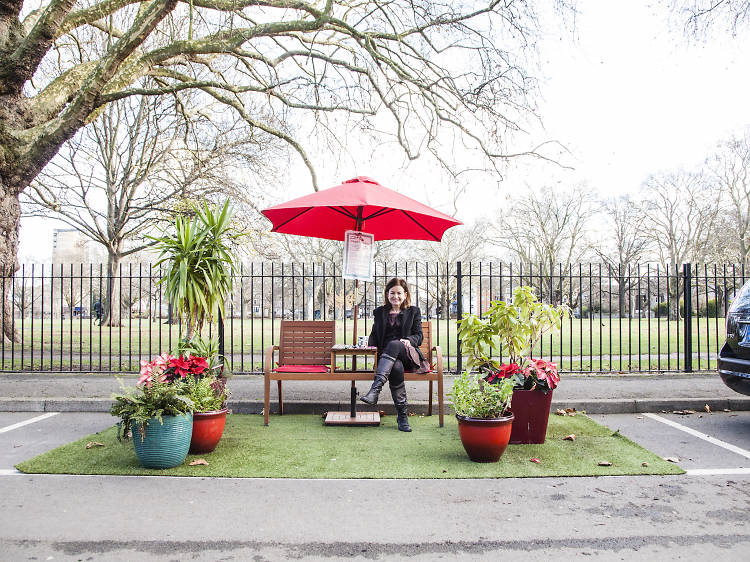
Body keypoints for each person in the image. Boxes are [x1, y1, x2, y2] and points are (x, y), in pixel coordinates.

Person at [360, 277, 425, 432]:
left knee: (396, 343)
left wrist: (409, 340)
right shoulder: (380, 312)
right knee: (395, 368)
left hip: (407, 354)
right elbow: (375, 335)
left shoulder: (413, 312)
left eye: (399, 293)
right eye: (392, 293)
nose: (395, 296)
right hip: (388, 360)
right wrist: (366, 342)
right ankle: (402, 416)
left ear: (405, 294)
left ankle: (375, 389)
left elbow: (419, 336)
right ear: (387, 294)